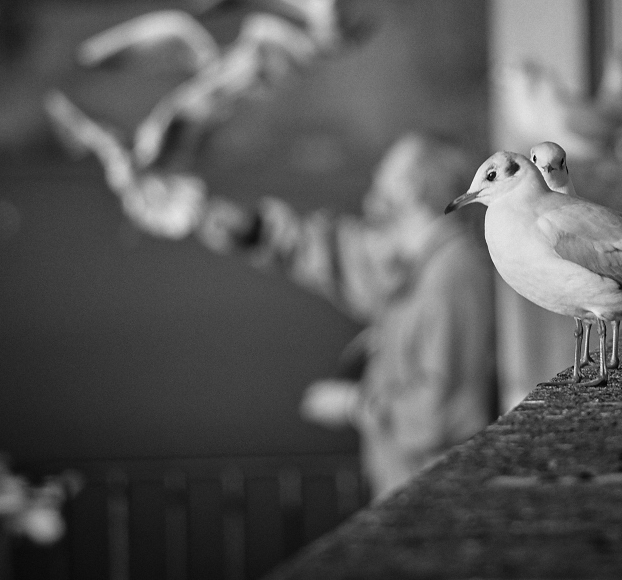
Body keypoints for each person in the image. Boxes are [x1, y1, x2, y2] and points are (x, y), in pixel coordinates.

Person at [198, 133, 497, 499]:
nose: (373, 189)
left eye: (384, 177)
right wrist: (256, 231)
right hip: (408, 486)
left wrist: (356, 405)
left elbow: (447, 410)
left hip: (434, 495)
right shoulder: (416, 263)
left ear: (414, 189)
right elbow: (346, 259)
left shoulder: (453, 273)